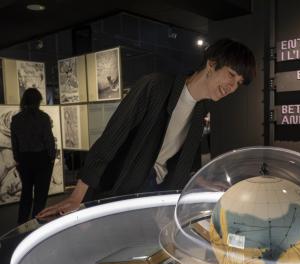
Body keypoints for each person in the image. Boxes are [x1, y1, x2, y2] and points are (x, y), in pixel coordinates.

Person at [38, 38, 256, 219]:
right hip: (123, 187)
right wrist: (76, 197)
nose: (232, 87)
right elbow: (111, 139)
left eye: (238, 83)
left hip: (157, 193)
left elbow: (179, 160)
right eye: (231, 75)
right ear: (211, 64)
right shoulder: (155, 86)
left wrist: (204, 183)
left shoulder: (201, 110)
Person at [11, 88, 56, 224]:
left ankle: (21, 224)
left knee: (26, 193)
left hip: (24, 159)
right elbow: (48, 140)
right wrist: (52, 156)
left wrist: (17, 159)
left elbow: (15, 142)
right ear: (38, 100)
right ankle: (36, 224)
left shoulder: (16, 119)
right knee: (40, 195)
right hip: (42, 159)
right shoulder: (43, 118)